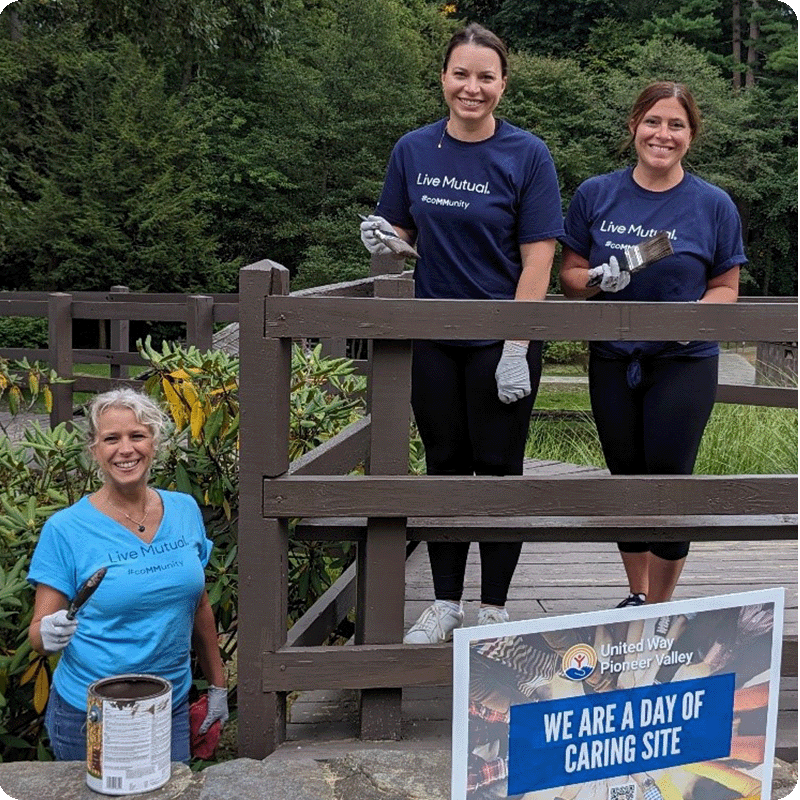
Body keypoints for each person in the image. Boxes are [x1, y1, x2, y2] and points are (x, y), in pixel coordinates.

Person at [359, 23, 564, 643]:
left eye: (485, 76)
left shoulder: (527, 154)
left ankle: (494, 608)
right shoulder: (413, 149)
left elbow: (539, 258)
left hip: (504, 338)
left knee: (500, 471)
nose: (472, 87)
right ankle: (445, 602)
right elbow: (403, 233)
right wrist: (386, 240)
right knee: (443, 467)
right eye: (461, 74)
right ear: (443, 77)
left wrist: (517, 344)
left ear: (503, 84)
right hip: (432, 336)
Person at [559, 81, 744, 607]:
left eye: (676, 125)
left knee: (670, 481)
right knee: (625, 478)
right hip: (613, 359)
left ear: (691, 134)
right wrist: (597, 278)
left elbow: (726, 286)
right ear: (634, 126)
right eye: (653, 122)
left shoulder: (713, 204)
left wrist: (696, 317)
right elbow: (569, 277)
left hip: (683, 360)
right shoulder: (597, 193)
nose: (663, 134)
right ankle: (636, 595)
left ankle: (662, 605)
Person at [28, 388, 228, 761]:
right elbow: (38, 634)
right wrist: (49, 633)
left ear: (155, 442)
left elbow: (199, 604)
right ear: (94, 449)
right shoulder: (66, 529)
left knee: (170, 789)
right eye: (111, 439)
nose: (125, 449)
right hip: (91, 713)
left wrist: (218, 686)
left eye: (137, 435)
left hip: (168, 706)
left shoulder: (184, 509)